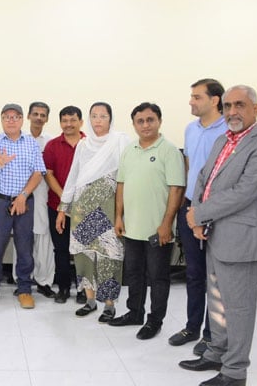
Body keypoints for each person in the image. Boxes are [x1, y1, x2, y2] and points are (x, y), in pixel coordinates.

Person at [179, 85, 257, 386]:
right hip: (212, 234)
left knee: (239, 308)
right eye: (228, 105)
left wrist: (200, 213)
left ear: (255, 109)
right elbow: (202, 177)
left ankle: (235, 372)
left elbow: (244, 193)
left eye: (240, 105)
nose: (232, 111)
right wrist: (195, 215)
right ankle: (216, 353)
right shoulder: (224, 139)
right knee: (218, 302)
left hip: (238, 240)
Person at [111, 103, 185, 340]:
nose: (145, 125)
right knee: (133, 273)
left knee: (158, 276)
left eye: (150, 120)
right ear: (134, 124)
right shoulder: (130, 150)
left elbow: (176, 190)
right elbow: (121, 185)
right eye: (140, 121)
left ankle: (155, 321)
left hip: (157, 230)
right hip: (131, 227)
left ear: (159, 121)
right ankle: (134, 313)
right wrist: (119, 216)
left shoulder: (170, 151)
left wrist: (166, 224)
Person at [55, 102, 129, 322]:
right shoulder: (83, 145)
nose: (98, 120)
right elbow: (73, 176)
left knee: (109, 256)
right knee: (83, 254)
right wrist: (63, 207)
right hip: (82, 208)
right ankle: (89, 300)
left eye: (103, 116)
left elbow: (126, 178)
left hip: (109, 208)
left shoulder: (120, 141)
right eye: (94, 116)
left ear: (110, 119)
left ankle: (109, 304)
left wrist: (123, 212)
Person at [168, 79, 226, 355]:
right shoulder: (190, 129)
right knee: (194, 273)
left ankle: (211, 333)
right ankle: (192, 327)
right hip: (190, 207)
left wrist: (206, 210)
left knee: (215, 277)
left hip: (216, 210)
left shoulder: (229, 131)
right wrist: (187, 208)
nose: (191, 102)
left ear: (214, 100)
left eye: (197, 97)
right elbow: (191, 168)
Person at [0, 103, 46, 309]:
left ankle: (25, 289)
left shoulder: (31, 143)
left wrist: (23, 196)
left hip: (24, 201)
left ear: (22, 120)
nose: (11, 120)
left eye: (16, 117)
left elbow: (38, 173)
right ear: (1, 119)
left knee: (25, 245)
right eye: (6, 117)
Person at [12, 101, 56, 298]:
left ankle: (44, 280)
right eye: (35, 114)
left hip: (44, 195)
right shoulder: (17, 139)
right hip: (21, 195)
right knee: (21, 238)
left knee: (44, 239)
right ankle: (20, 279)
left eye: (43, 115)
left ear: (46, 118)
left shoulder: (51, 142)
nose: (39, 117)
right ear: (28, 116)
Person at [43, 105, 86, 304]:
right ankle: (63, 288)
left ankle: (84, 289)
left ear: (81, 122)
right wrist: (65, 198)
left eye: (73, 120)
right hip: (57, 205)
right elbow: (48, 174)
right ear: (60, 123)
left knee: (83, 249)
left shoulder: (90, 144)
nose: (68, 124)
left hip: (84, 206)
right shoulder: (52, 145)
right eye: (65, 120)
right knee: (60, 249)